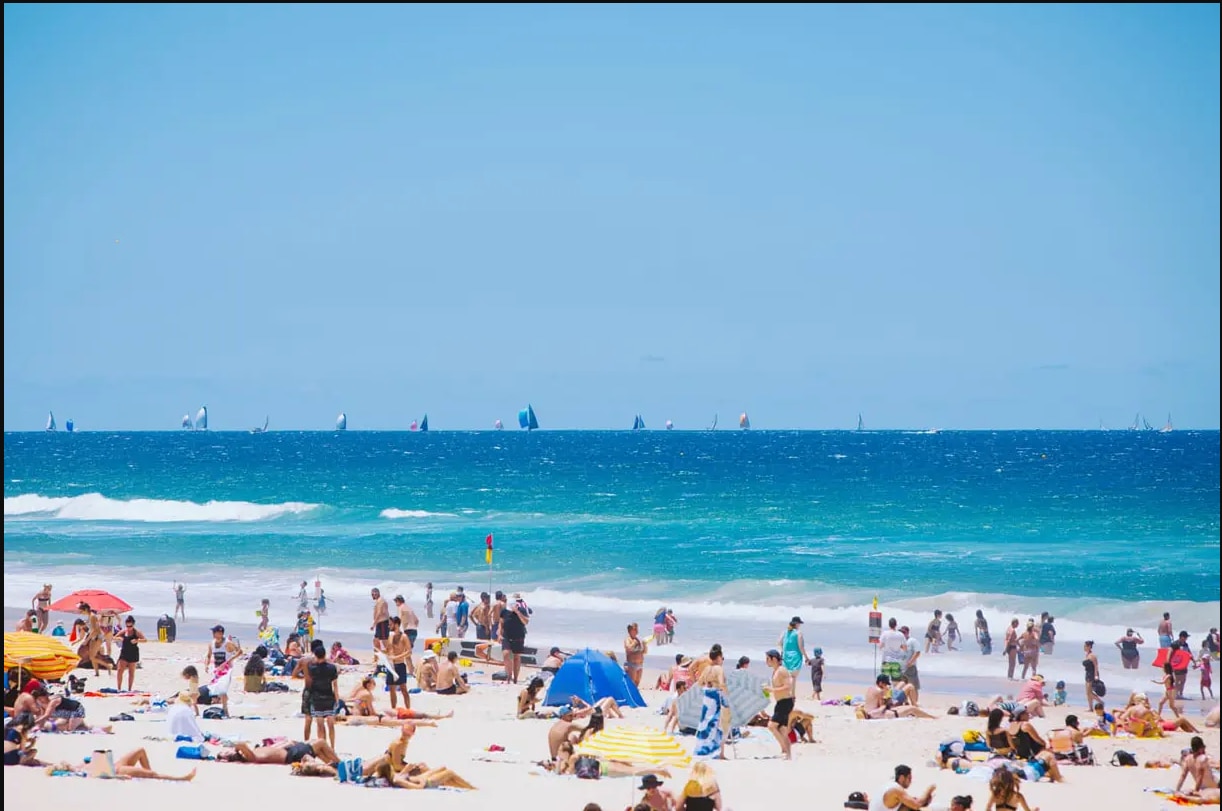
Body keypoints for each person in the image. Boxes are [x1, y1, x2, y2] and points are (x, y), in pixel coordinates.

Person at [49, 747, 196, 781]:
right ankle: (182, 778)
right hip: (116, 769)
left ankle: (152, 774)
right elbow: (102, 775)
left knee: (140, 751)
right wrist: (119, 778)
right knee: (150, 774)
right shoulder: (79, 772)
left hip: (114, 764)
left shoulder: (78, 766)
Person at [306, 641, 339, 748]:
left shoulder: (312, 668)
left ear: (315, 655)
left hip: (317, 698)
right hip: (329, 697)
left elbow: (310, 683)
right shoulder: (332, 668)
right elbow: (335, 685)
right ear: (325, 655)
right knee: (331, 724)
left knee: (320, 724)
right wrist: (337, 699)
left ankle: (323, 745)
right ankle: (332, 747)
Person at [764, 649, 795, 760]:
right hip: (780, 702)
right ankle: (787, 753)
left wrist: (772, 689)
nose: (766, 661)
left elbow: (788, 686)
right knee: (782, 729)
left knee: (771, 726)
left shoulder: (782, 670)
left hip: (786, 702)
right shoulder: (775, 671)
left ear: (774, 659)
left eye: (767, 658)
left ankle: (786, 751)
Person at [1175, 736, 1220, 804]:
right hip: (1214, 786)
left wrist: (1177, 789)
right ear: (1200, 748)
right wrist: (1196, 791)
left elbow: (1183, 776)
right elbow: (1200, 777)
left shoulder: (1188, 759)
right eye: (1203, 747)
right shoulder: (1202, 759)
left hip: (1203, 788)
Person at [499, 592, 531, 684]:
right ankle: (508, 676)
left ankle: (515, 678)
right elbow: (501, 622)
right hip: (507, 635)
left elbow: (526, 622)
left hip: (518, 635)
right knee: (506, 654)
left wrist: (517, 612)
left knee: (516, 657)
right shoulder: (504, 611)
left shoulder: (522, 610)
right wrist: (499, 634)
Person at [111, 615, 146, 692]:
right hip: (124, 653)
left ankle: (129, 689)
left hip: (133, 653)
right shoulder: (124, 631)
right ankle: (119, 688)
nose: (129, 627)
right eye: (127, 626)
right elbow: (113, 637)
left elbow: (145, 640)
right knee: (120, 670)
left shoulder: (136, 632)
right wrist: (119, 638)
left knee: (131, 672)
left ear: (133, 625)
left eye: (130, 626)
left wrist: (137, 640)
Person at [385, 616, 412, 707]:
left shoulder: (404, 636)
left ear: (396, 624)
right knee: (391, 689)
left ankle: (408, 708)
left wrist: (397, 657)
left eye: (391, 624)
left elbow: (409, 651)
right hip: (391, 665)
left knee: (403, 688)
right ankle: (393, 708)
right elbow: (388, 649)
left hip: (400, 664)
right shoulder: (390, 635)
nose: (389, 626)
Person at [370, 587, 390, 653]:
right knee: (376, 640)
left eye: (374, 594)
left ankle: (389, 655)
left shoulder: (381, 601)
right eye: (372, 594)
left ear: (378, 593)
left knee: (384, 641)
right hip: (379, 623)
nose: (373, 595)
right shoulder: (378, 600)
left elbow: (379, 613)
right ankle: (377, 656)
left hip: (383, 623)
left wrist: (373, 624)